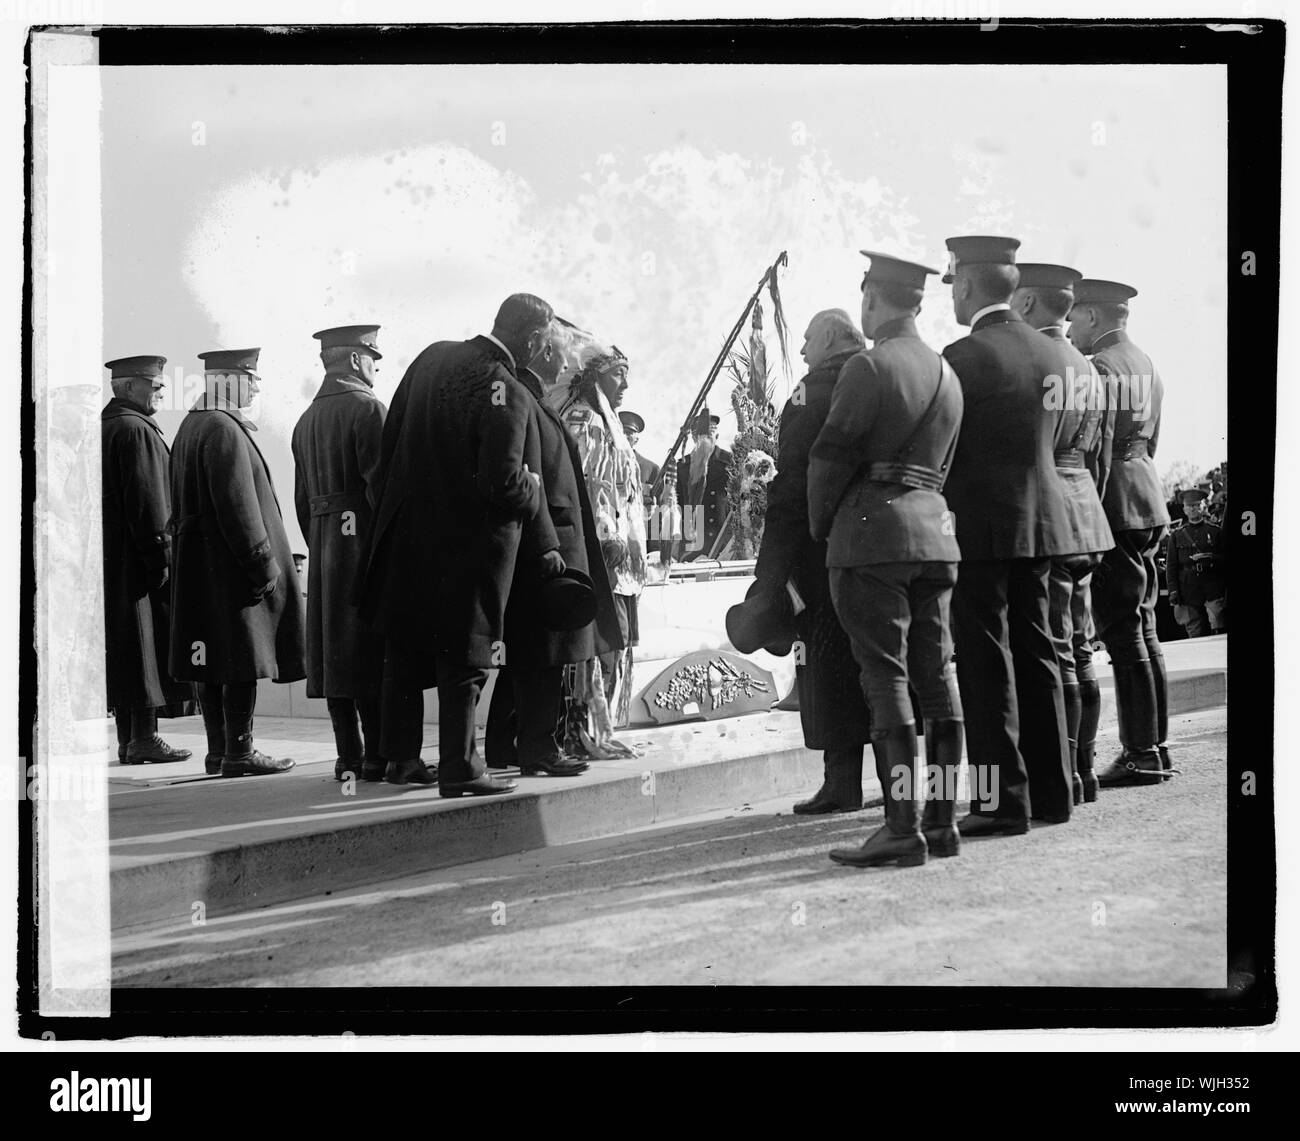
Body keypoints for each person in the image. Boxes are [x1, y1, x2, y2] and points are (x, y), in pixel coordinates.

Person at [357, 295, 558, 798]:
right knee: (465, 660)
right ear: (532, 340)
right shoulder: (506, 389)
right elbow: (502, 483)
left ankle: (401, 759)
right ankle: (461, 767)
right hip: (466, 550)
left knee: (403, 650)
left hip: (405, 539)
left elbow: (388, 447)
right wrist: (533, 485)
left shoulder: (430, 358)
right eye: (546, 341)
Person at [806, 254, 964, 867]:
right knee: (938, 681)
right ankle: (942, 819)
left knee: (886, 682)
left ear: (872, 298)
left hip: (873, 541)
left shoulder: (869, 367)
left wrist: (825, 527)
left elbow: (828, 458)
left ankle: (902, 826)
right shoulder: (947, 373)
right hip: (935, 537)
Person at [941, 235, 1077, 837]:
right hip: (1044, 521)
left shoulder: (962, 357)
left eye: (953, 283)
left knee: (984, 662)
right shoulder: (1054, 355)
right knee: (1039, 651)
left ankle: (1000, 802)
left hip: (981, 527)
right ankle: (1055, 792)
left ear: (967, 286)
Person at [740, 308, 872, 815]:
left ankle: (841, 784)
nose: (801, 350)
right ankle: (895, 783)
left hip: (822, 553)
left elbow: (791, 487)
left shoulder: (810, 393)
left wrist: (770, 573)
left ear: (834, 338)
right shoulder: (885, 376)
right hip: (884, 543)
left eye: (810, 337)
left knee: (828, 665)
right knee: (880, 667)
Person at [484, 319, 620, 777]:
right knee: (544, 652)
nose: (565, 362)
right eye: (560, 353)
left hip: (547, 542)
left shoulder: (534, 397)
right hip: (548, 546)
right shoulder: (524, 397)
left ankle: (507, 745)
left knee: (529, 652)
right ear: (541, 353)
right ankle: (539, 749)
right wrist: (547, 544)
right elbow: (527, 477)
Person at [168, 348, 304, 777]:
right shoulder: (223, 428)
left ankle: (218, 751)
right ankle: (240, 753)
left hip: (199, 568)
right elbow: (239, 508)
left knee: (209, 662)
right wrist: (263, 566)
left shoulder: (190, 425)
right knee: (242, 659)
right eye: (252, 377)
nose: (258, 386)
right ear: (232, 380)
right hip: (230, 569)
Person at [1011, 264, 1115, 805]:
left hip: (1048, 515)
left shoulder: (1035, 363)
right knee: (1078, 647)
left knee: (1053, 646)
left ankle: (1067, 774)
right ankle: (1085, 768)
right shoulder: (1089, 367)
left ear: (1028, 303)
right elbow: (1097, 455)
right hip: (1085, 514)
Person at [1067, 278, 1173, 786]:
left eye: (1074, 317)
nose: (1068, 327)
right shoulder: (1147, 362)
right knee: (1146, 627)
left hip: (1116, 506)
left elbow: (1097, 447)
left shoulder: (1099, 369)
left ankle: (1141, 752)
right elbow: (1151, 440)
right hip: (1148, 495)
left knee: (1123, 630)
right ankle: (1156, 744)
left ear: (1092, 316)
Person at [292, 325, 389, 783]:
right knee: (370, 650)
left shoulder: (305, 421)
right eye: (372, 357)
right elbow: (383, 492)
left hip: (326, 549)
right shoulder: (368, 409)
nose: (375, 366)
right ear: (354, 360)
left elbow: (300, 501)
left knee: (335, 654)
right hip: (364, 548)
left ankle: (347, 755)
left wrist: (324, 542)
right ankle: (378, 757)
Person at [548, 341, 645, 749]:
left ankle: (591, 731)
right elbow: (584, 487)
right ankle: (576, 732)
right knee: (594, 643)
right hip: (599, 554)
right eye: (617, 373)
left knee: (611, 644)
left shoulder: (608, 423)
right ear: (593, 376)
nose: (625, 383)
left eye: (626, 373)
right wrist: (607, 534)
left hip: (620, 558)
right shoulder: (583, 420)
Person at [101, 355, 193, 765]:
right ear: (126, 388)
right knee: (142, 650)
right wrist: (163, 559)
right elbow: (150, 504)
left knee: (124, 650)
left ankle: (128, 740)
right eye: (151, 383)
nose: (160, 389)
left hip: (110, 560)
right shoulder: (135, 430)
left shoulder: (106, 427)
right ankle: (143, 739)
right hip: (138, 563)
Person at [1166, 488, 1227, 636]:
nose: (1193, 509)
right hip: (1188, 590)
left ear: (1203, 507)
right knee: (1194, 632)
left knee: (1218, 627)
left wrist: (1211, 558)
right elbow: (1171, 567)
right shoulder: (1176, 535)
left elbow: (1226, 559)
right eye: (1190, 506)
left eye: (1196, 505)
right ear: (1184, 510)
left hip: (1212, 587)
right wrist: (1173, 591)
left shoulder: (1215, 531)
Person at [675, 407, 731, 560]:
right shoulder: (682, 466)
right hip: (693, 542)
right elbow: (677, 505)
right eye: (701, 433)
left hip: (723, 541)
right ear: (693, 437)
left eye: (710, 431)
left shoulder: (731, 461)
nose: (706, 437)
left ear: (717, 435)